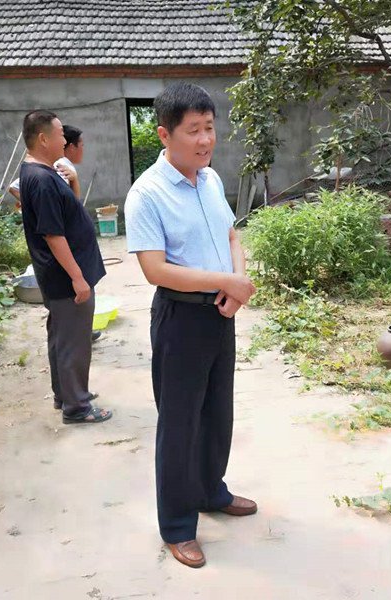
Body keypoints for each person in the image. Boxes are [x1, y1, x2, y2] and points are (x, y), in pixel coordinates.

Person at [125, 82, 257, 569]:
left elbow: (230, 234)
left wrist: (236, 284)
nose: (205, 140)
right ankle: (178, 525)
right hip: (180, 318)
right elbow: (155, 270)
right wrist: (226, 280)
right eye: (193, 131)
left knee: (217, 412)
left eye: (210, 128)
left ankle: (210, 491)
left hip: (220, 313)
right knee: (180, 423)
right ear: (165, 134)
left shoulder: (211, 179)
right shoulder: (147, 194)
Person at [18, 110, 111, 425]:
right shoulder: (42, 180)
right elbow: (54, 235)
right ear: (43, 139)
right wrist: (77, 277)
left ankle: (66, 394)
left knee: (61, 336)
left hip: (59, 276)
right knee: (74, 341)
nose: (64, 140)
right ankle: (77, 407)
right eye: (59, 134)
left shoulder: (40, 173)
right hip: (65, 278)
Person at [8, 124, 85, 206]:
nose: (83, 150)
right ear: (72, 147)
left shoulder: (58, 165)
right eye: (82, 146)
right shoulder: (62, 166)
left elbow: (14, 187)